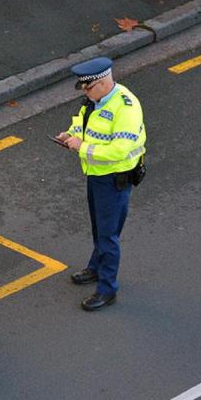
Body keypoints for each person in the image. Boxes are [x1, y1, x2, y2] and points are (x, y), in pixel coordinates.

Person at [55, 57, 146, 311]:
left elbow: (120, 150)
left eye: (89, 87)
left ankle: (107, 289)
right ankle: (95, 268)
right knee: (99, 228)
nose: (85, 92)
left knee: (108, 236)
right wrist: (71, 135)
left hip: (114, 180)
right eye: (83, 88)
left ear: (104, 82)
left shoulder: (126, 108)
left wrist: (82, 147)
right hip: (97, 175)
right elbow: (82, 122)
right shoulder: (95, 99)